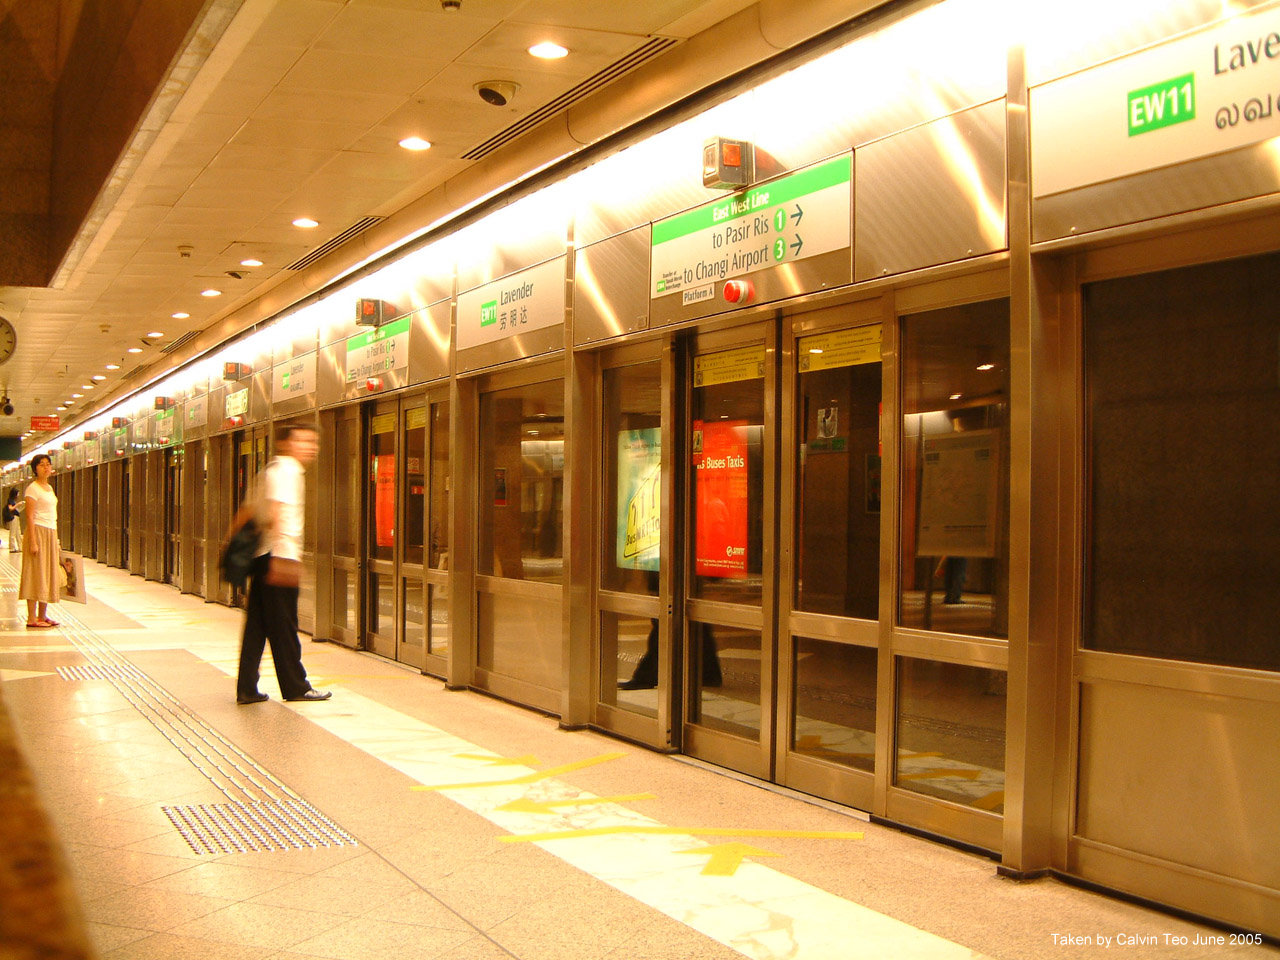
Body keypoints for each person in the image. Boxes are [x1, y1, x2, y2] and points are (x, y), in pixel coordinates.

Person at [235, 422, 331, 704]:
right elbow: (278, 513)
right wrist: (283, 558)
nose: (310, 447)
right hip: (278, 555)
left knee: (257, 626)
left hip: (263, 555)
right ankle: (296, 686)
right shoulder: (289, 471)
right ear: (287, 443)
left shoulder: (273, 469)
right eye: (303, 441)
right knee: (285, 625)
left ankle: (247, 688)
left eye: (313, 442)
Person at [19, 456, 60, 628]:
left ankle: (42, 615)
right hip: (38, 531)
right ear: (35, 469)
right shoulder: (32, 489)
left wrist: (56, 539)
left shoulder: (49, 488)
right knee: (35, 573)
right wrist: (33, 542)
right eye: (41, 465)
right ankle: (31, 618)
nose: (46, 468)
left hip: (50, 532)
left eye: (48, 465)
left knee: (48, 573)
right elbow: (29, 516)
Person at [4, 488, 22, 552]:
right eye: (18, 493)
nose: (18, 494)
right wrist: (18, 505)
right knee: (13, 533)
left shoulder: (13, 500)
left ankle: (20, 547)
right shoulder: (10, 500)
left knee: (18, 533)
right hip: (13, 518)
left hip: (16, 517)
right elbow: (11, 508)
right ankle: (12, 547)